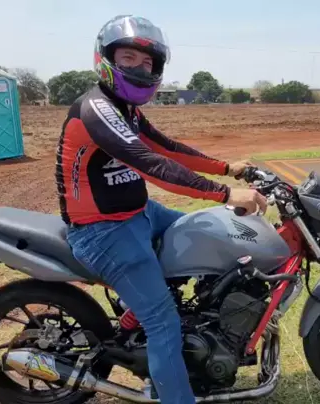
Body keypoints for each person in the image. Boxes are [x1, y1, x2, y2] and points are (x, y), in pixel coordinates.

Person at [55, 15, 267, 404]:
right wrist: (225, 193)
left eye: (147, 63)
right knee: (163, 322)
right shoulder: (96, 110)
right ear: (107, 59)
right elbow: (153, 164)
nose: (140, 69)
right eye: (129, 58)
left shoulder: (126, 110)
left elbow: (167, 147)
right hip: (103, 231)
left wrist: (227, 167)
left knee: (208, 239)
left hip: (141, 213)